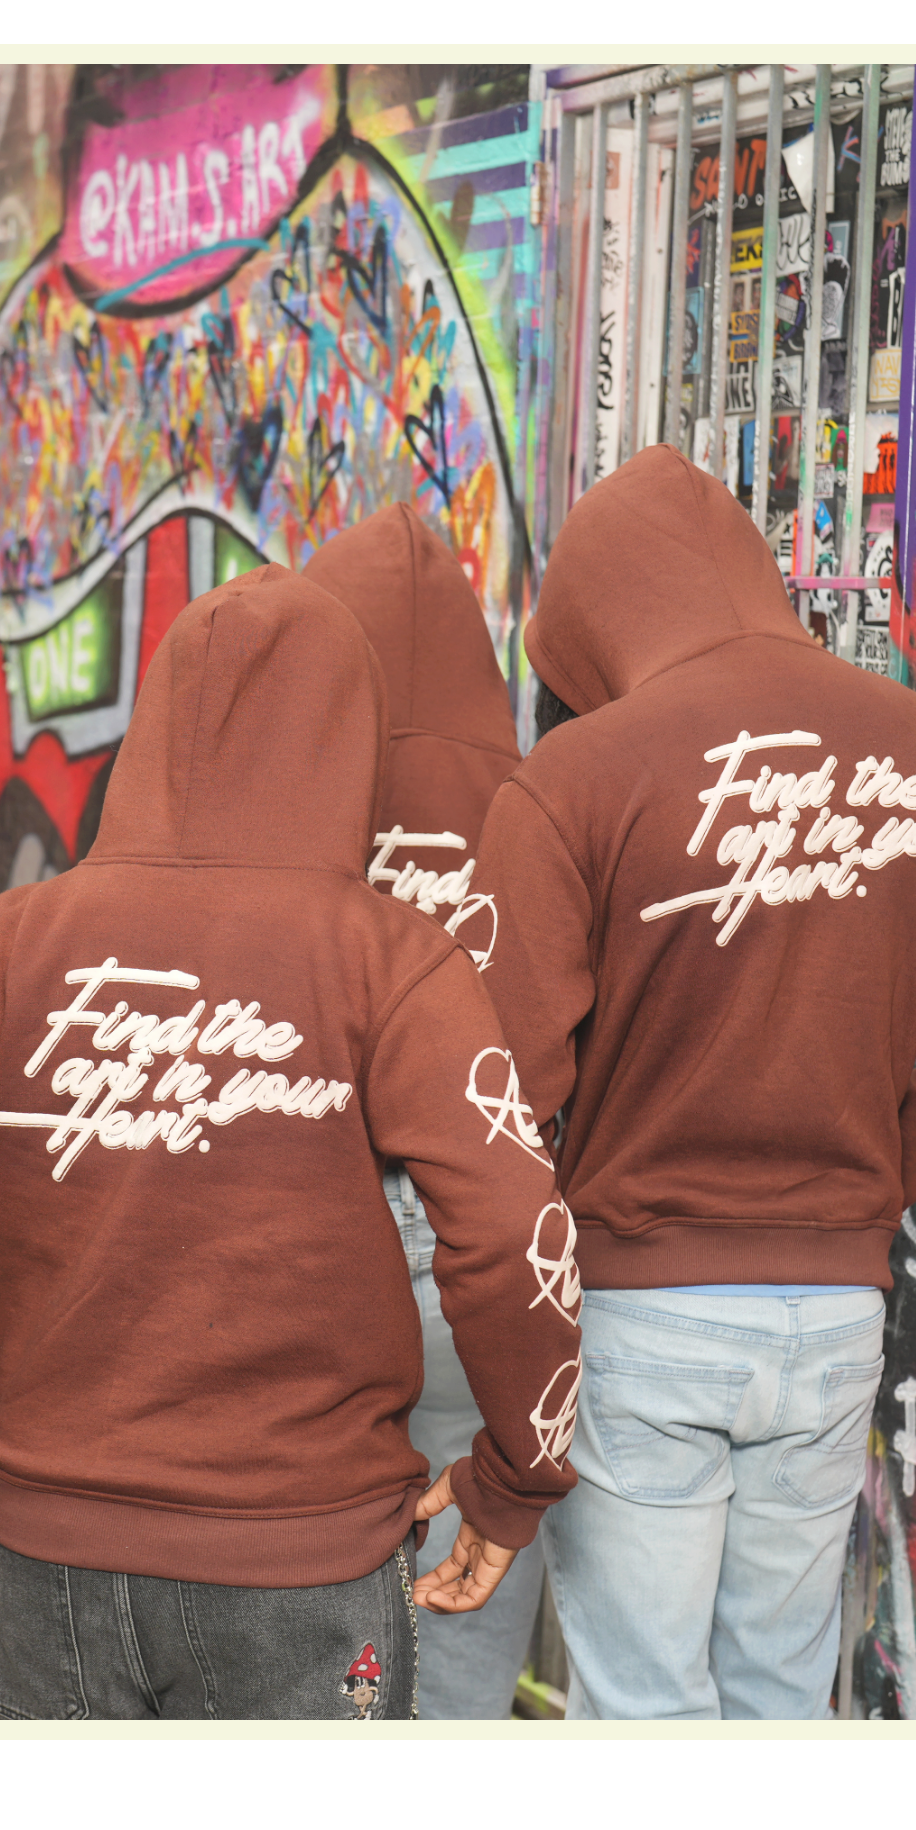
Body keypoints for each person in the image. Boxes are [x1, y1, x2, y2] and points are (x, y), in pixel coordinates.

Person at [0, 564, 582, 1722]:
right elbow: (517, 1234)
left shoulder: (13, 944)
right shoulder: (394, 959)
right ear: (346, 741)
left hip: (48, 1559)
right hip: (305, 1569)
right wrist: (516, 1479)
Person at [470, 443, 916, 1718]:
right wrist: (853, 1188)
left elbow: (500, 1085)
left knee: (642, 1700)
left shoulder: (576, 779)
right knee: (785, 1698)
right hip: (837, 1322)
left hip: (641, 1313)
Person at [300, 502, 554, 1720]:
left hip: (314, 1245)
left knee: (300, 1607)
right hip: (480, 1236)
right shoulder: (539, 803)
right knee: (464, 1598)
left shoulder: (283, 800)